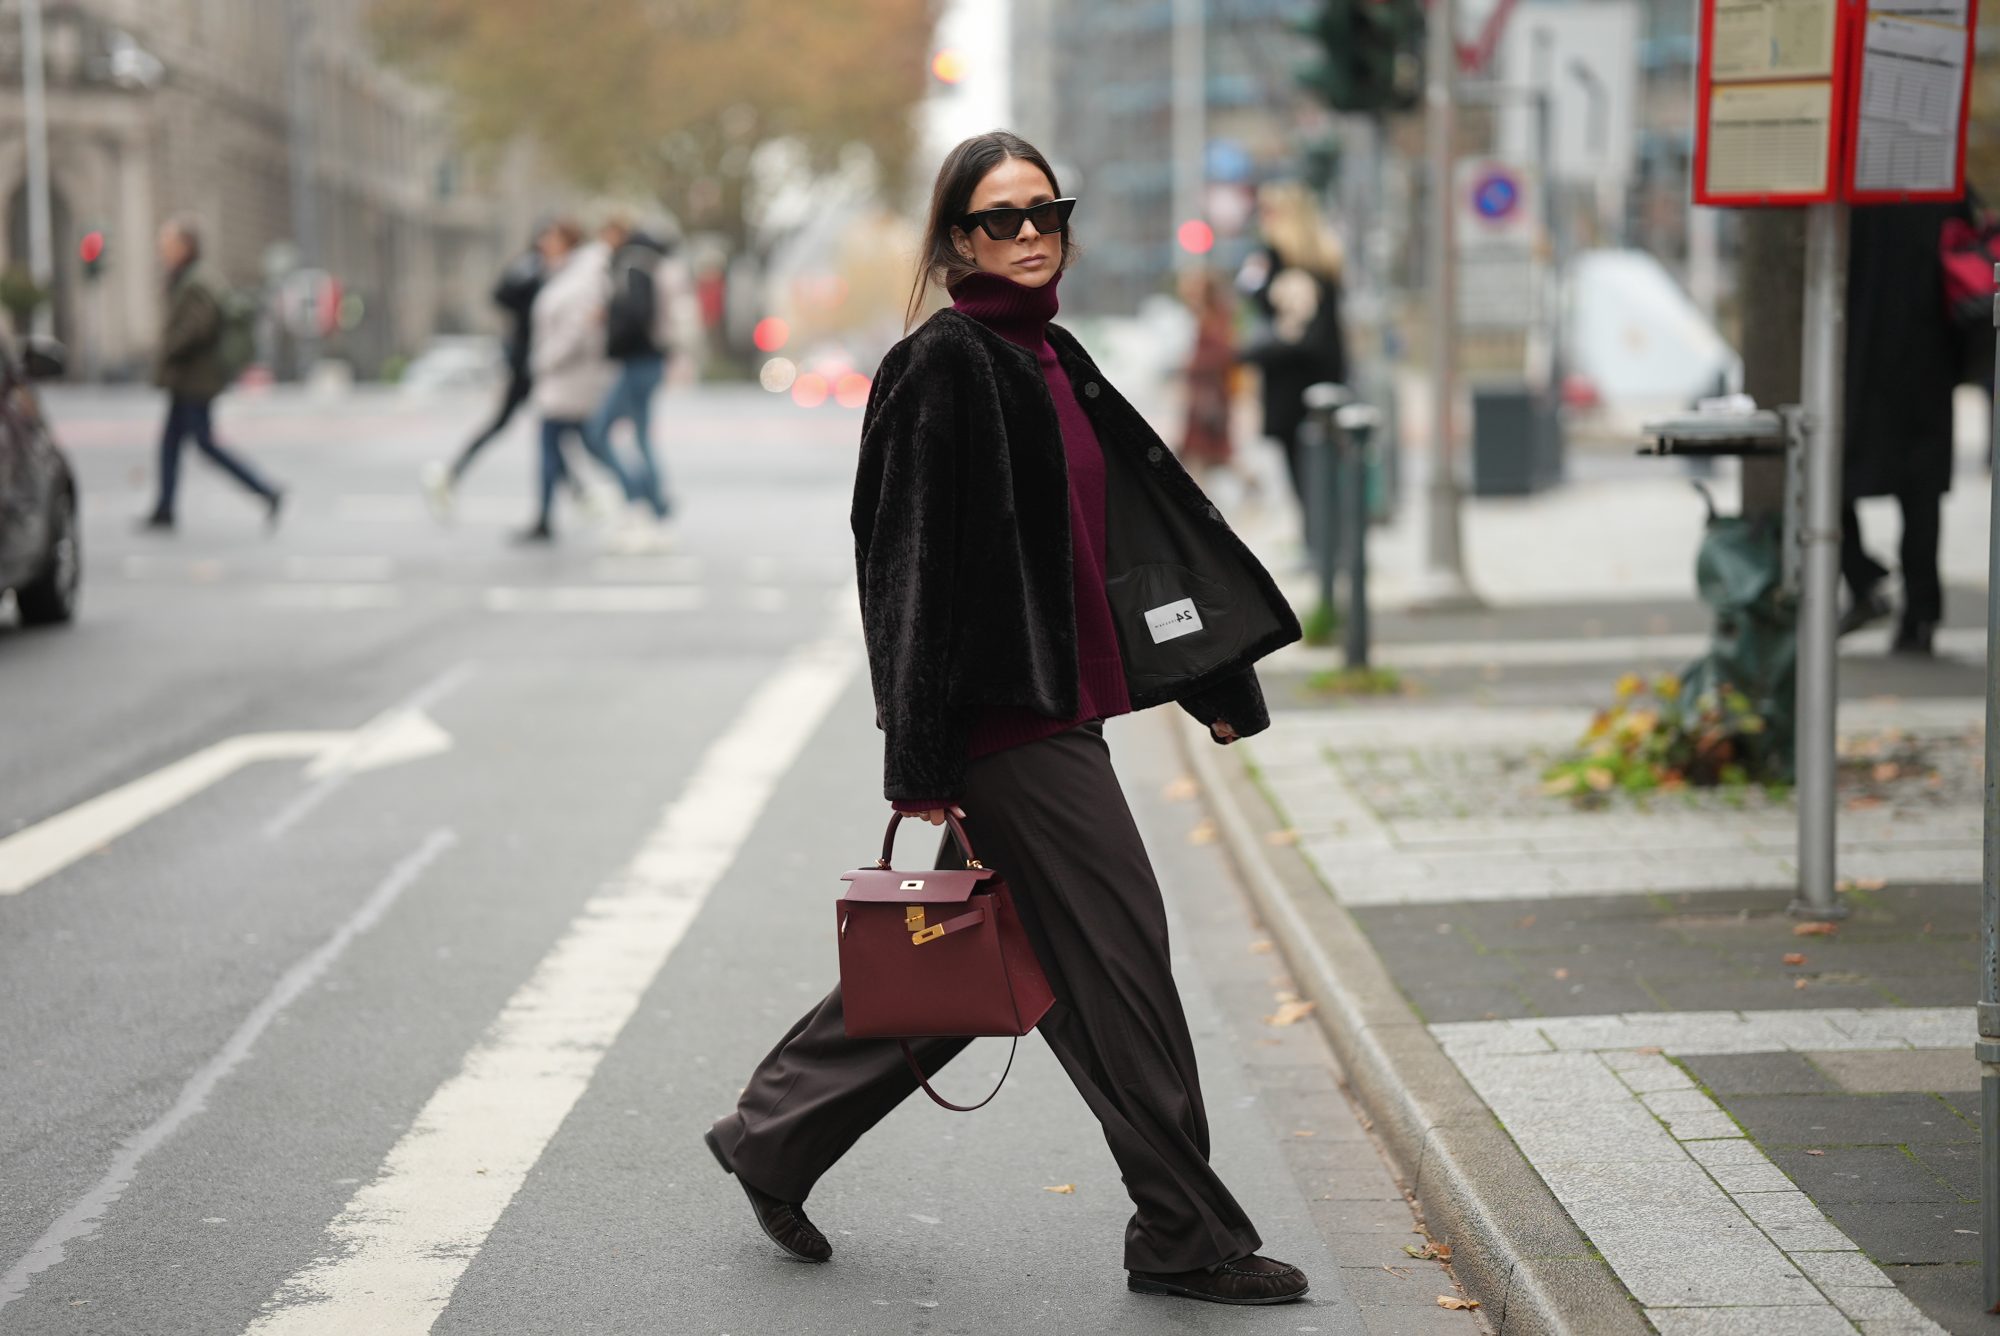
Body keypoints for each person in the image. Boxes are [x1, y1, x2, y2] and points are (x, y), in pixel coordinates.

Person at [705, 131, 1309, 1307]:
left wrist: (1214, 678)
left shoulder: (1051, 356)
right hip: (1003, 724)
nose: (1029, 234)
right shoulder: (943, 365)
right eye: (998, 219)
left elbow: (1132, 541)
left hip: (1060, 707)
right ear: (953, 240)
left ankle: (770, 1133)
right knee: (1121, 963)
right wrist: (919, 759)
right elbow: (906, 572)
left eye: (1045, 212)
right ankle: (1184, 1232)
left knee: (979, 958)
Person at [1838, 202, 1966, 655]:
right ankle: (1920, 614)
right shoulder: (1940, 181)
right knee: (1921, 494)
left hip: (1863, 353)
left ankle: (1864, 578)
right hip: (1927, 354)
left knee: (1834, 477)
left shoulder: (1856, 189)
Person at [142, 218, 283, 532]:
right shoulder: (187, 278)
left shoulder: (197, 281)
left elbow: (197, 327)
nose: (162, 250)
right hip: (187, 378)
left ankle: (266, 491)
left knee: (204, 444)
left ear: (185, 247)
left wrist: (169, 349)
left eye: (168, 244)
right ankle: (165, 508)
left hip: (196, 378)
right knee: (170, 444)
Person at [1237, 182, 1349, 513]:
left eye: (1268, 211)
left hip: (1290, 382)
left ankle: (1319, 547)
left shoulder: (1278, 261)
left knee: (1301, 470)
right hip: (1324, 378)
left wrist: (1252, 353)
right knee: (1322, 468)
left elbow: (1288, 330)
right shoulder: (1325, 261)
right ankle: (1322, 545)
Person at [421, 234, 547, 521]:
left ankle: (453, 474)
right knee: (551, 430)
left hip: (537, 362)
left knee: (555, 432)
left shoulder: (548, 271)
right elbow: (500, 295)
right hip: (528, 362)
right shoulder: (532, 269)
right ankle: (452, 474)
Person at [519, 219, 630, 543]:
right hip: (563, 381)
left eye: (550, 238)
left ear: (567, 242)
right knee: (566, 446)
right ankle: (551, 513)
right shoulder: (564, 272)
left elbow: (576, 331)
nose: (543, 244)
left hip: (571, 380)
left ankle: (640, 495)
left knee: (590, 444)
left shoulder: (582, 277)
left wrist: (543, 360)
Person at [589, 214, 695, 531]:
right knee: (640, 435)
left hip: (639, 360)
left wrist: (611, 324)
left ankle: (639, 494)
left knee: (599, 432)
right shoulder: (650, 261)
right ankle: (656, 501)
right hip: (650, 360)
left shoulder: (634, 264)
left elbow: (637, 314)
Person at [1175, 266, 1257, 498]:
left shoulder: (1217, 318)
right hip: (1203, 398)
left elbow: (1226, 352)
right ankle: (1202, 503)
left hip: (1211, 399)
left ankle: (1200, 506)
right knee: (1204, 454)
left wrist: (1194, 365)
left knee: (1206, 453)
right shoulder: (1206, 317)